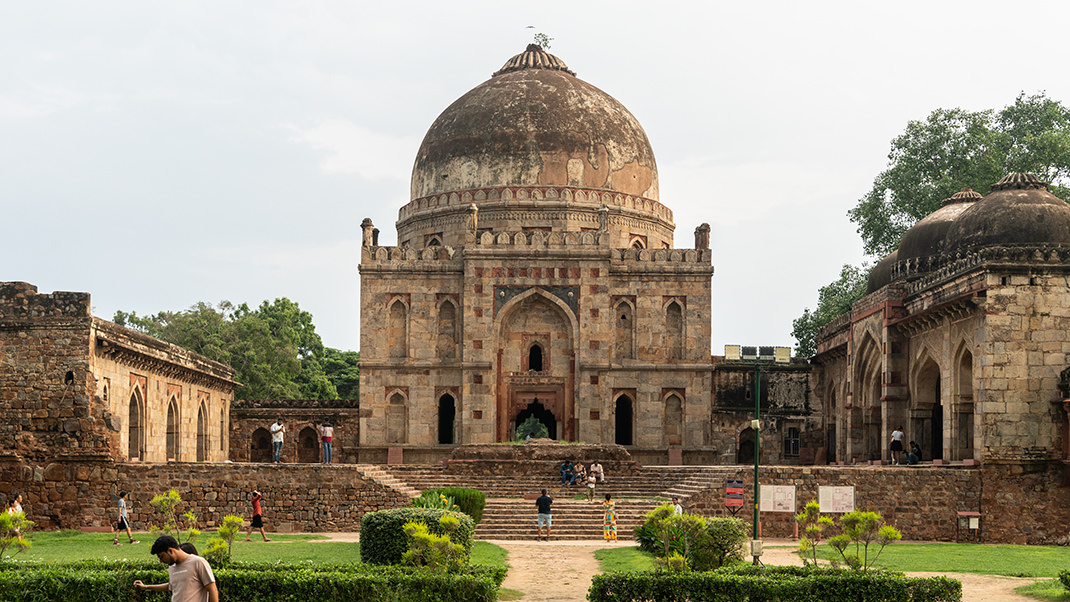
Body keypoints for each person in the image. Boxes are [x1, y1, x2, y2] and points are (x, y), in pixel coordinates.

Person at [134, 535, 219, 602]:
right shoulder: (172, 567)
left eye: (162, 556)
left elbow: (212, 589)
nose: (161, 561)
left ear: (171, 550)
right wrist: (145, 587)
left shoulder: (198, 562)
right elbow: (171, 586)